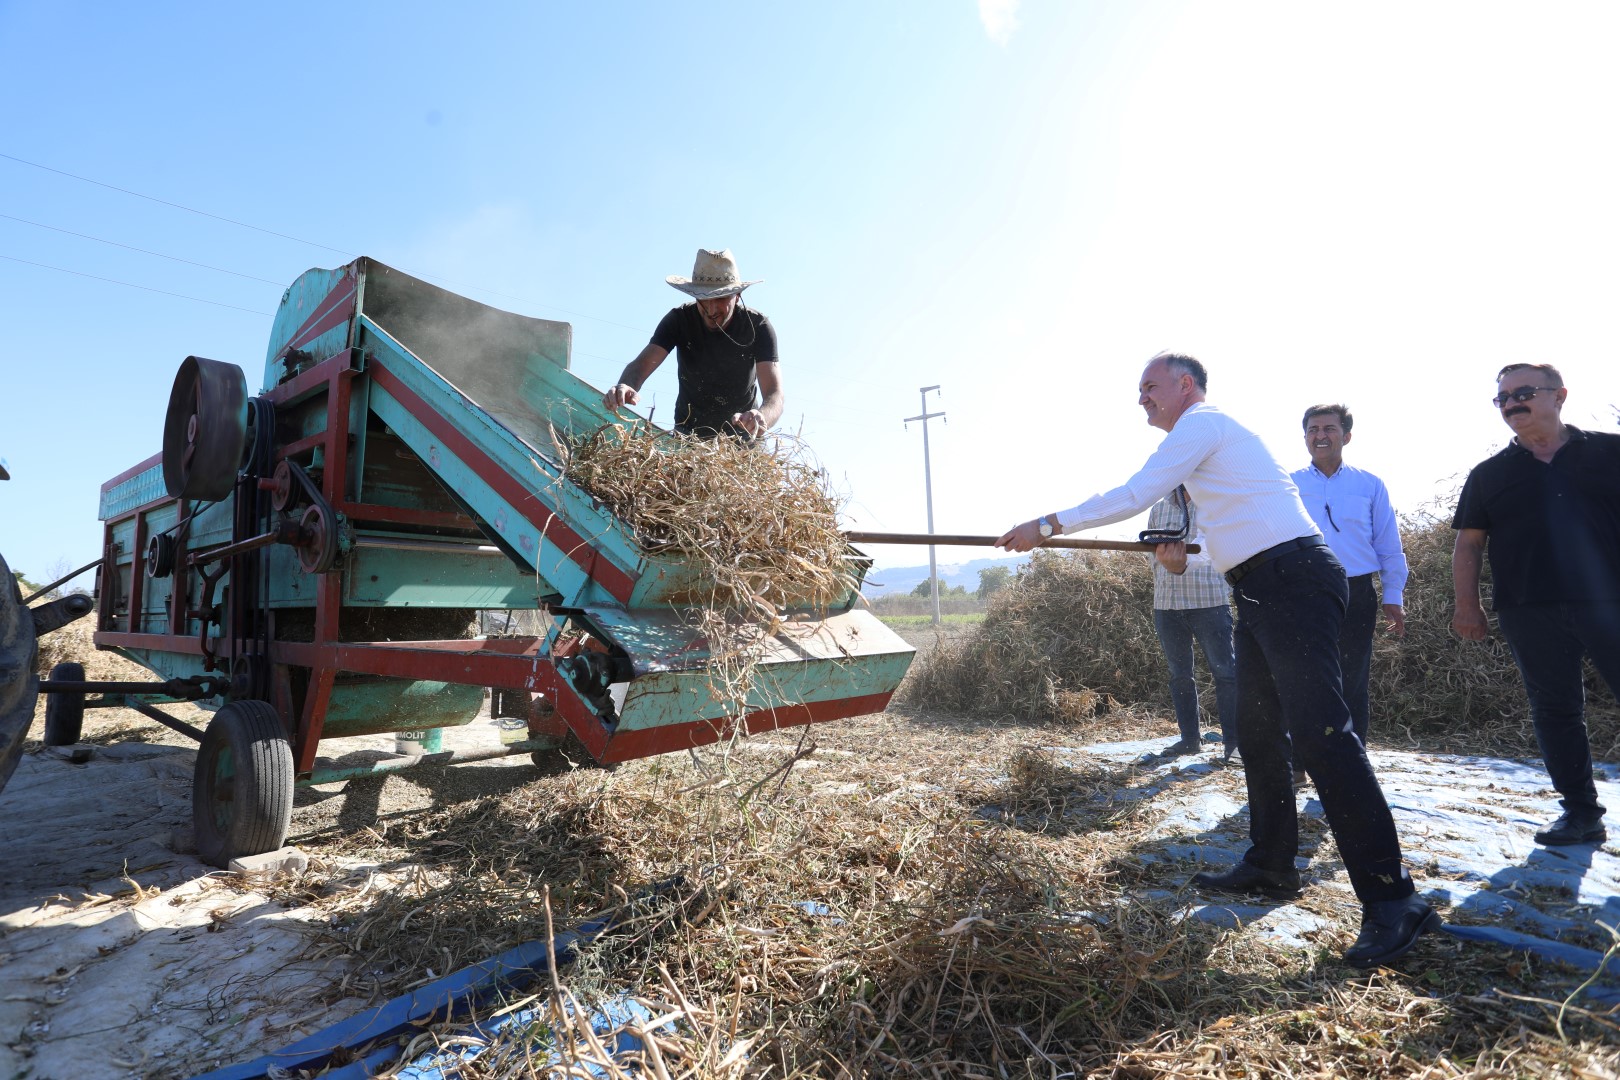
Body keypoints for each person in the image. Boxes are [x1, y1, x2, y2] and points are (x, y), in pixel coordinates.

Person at [997, 351, 1437, 968]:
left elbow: (1134, 493)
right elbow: (1241, 535)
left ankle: (1395, 902)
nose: (1141, 399)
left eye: (1149, 387)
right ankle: (1270, 863)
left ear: (1185, 386)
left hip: (1296, 580)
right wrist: (1186, 562)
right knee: (1258, 733)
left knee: (1323, 737)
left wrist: (1048, 524)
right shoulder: (1213, 452)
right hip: (1261, 585)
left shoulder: (1203, 424)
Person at [1452, 363, 1620, 847]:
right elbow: (1469, 545)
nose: (1511, 404)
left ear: (1559, 395)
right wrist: (1468, 605)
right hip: (1529, 608)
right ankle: (1581, 814)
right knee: (1556, 711)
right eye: (1502, 398)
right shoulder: (1489, 475)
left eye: (1522, 393)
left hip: (1610, 601)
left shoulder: (1611, 452)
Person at [1291, 405, 1409, 746]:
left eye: (1329, 429)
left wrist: (1393, 596)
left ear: (1346, 436)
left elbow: (1388, 544)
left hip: (1355, 591)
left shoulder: (1369, 485)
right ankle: (1300, 762)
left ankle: (1352, 763)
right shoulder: (1288, 485)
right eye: (1313, 430)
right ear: (1305, 437)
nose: (1320, 436)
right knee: (1302, 676)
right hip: (1302, 592)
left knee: (1352, 678)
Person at [602, 249, 784, 439]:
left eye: (721, 298)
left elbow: (775, 394)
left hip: (743, 438)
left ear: (737, 295)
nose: (711, 309)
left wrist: (762, 416)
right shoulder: (678, 321)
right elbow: (640, 366)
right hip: (688, 437)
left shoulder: (758, 327)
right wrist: (625, 385)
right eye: (704, 299)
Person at [1145, 487, 1239, 761]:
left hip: (1208, 600)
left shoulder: (1215, 503)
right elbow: (1152, 555)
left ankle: (1233, 743)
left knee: (1225, 673)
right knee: (1180, 675)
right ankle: (1189, 739)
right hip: (1166, 604)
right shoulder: (1159, 508)